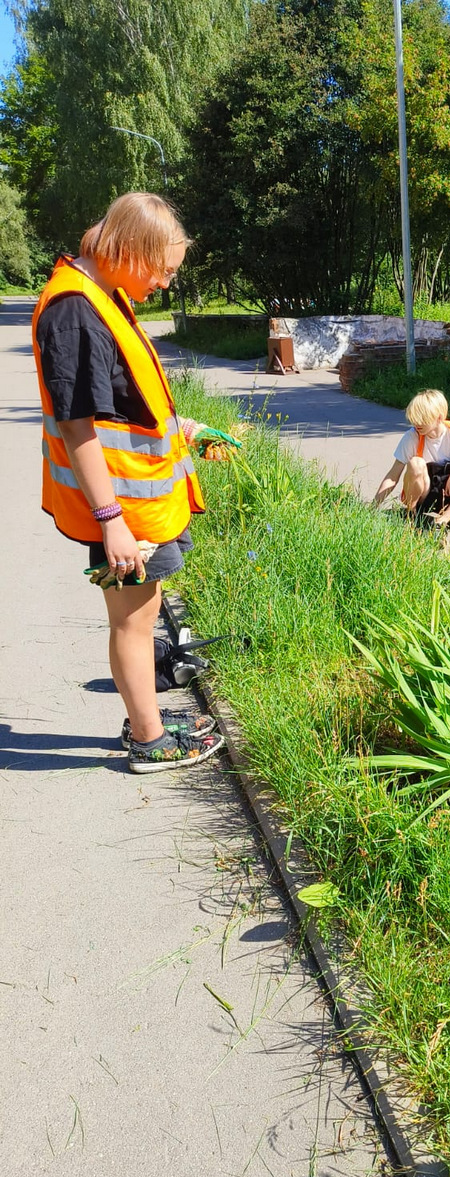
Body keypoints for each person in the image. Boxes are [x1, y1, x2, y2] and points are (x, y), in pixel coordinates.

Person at [32, 192, 223, 773]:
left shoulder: (100, 295)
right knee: (133, 621)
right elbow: (77, 425)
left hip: (141, 504)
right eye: (163, 271)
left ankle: (150, 718)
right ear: (130, 250)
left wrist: (177, 427)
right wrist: (110, 521)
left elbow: (119, 401)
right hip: (124, 512)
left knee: (142, 611)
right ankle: (149, 738)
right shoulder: (75, 309)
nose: (165, 284)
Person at [372, 389, 450, 527]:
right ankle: (411, 514)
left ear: (439, 417)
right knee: (415, 463)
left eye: (423, 419)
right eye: (414, 418)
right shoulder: (412, 437)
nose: (417, 424)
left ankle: (444, 520)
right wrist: (373, 507)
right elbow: (393, 476)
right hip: (426, 493)